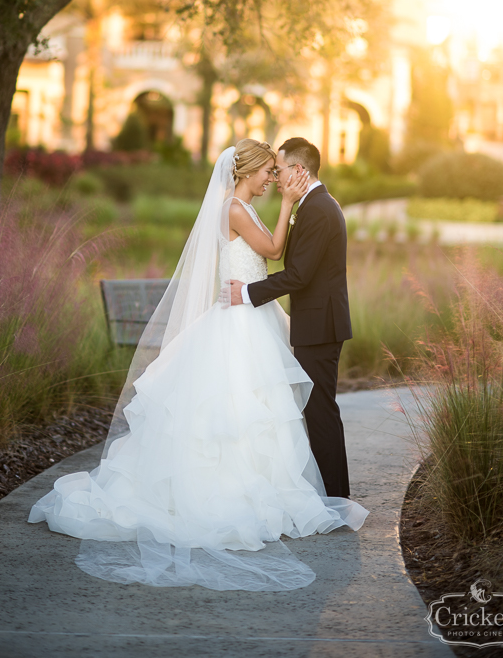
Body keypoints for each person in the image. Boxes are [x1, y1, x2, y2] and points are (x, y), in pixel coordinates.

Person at [28, 140, 368, 591]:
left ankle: (320, 493)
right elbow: (276, 254)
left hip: (261, 313)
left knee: (276, 407)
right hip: (242, 318)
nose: (273, 176)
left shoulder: (291, 207)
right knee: (237, 406)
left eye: (278, 169)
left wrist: (281, 215)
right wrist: (285, 206)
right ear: (246, 172)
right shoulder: (235, 209)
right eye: (268, 170)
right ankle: (275, 493)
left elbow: (282, 260)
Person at [227, 138, 352, 498]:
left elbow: (298, 275)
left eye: (279, 171)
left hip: (320, 326)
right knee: (316, 410)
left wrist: (248, 293)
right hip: (317, 324)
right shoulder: (313, 204)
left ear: (299, 170)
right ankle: (331, 493)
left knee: (320, 412)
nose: (277, 179)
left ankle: (335, 498)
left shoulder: (317, 209)